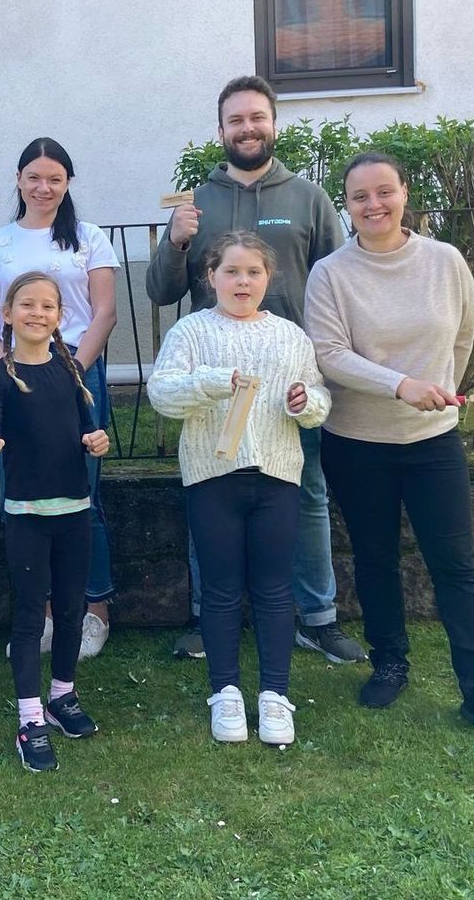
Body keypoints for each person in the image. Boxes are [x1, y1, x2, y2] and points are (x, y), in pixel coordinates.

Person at [304, 152, 474, 745]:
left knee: (456, 566)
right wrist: (401, 385)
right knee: (375, 560)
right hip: (356, 443)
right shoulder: (330, 272)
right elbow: (327, 353)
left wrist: (437, 388)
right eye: (359, 197)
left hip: (433, 442)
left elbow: (461, 335)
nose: (373, 205)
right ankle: (390, 662)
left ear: (405, 194)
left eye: (385, 192)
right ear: (345, 204)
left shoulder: (444, 260)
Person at [144, 75, 365, 666]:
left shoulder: (309, 198)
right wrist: (175, 242)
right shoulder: (197, 202)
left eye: (256, 118)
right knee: (206, 491)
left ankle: (317, 617)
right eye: (236, 120)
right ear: (221, 131)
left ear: (273, 124)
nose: (247, 128)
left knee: (308, 493)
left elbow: (339, 280)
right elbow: (161, 291)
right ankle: (205, 617)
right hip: (213, 385)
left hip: (289, 373)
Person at [148, 233, 330, 745]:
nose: (242, 281)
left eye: (253, 272)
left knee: (274, 588)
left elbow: (317, 397)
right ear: (211, 277)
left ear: (268, 279)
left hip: (276, 475)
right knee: (222, 589)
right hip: (212, 476)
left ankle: (275, 695)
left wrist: (304, 403)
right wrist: (209, 382)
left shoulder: (291, 337)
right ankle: (224, 691)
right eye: (231, 272)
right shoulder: (190, 332)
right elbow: (162, 393)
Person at [0, 137, 119, 660]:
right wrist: (4, 371)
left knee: (84, 494)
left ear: (67, 183)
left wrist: (71, 371)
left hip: (75, 371)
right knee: (26, 492)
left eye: (55, 178)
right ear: (18, 180)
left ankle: (93, 609)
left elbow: (103, 313)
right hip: (17, 376)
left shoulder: (90, 238)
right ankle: (45, 615)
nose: (44, 187)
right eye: (34, 177)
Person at [0, 271, 109, 772]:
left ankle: (62, 696)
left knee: (73, 608)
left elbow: (86, 429)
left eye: (48, 306)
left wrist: (96, 440)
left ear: (60, 316)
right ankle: (29, 718)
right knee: (33, 616)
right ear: (7, 314)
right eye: (26, 305)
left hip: (75, 511)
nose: (37, 313)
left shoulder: (71, 369)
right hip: (27, 516)